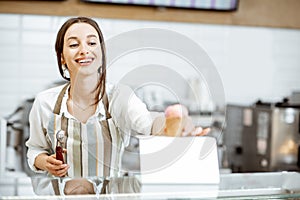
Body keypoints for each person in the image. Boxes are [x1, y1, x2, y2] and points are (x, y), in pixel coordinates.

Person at [25, 16, 210, 194]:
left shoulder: (120, 97)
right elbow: (35, 149)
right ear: (62, 57)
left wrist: (174, 125)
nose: (84, 50)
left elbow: (148, 124)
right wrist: (44, 161)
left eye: (92, 43)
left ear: (101, 52)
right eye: (74, 44)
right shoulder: (44, 102)